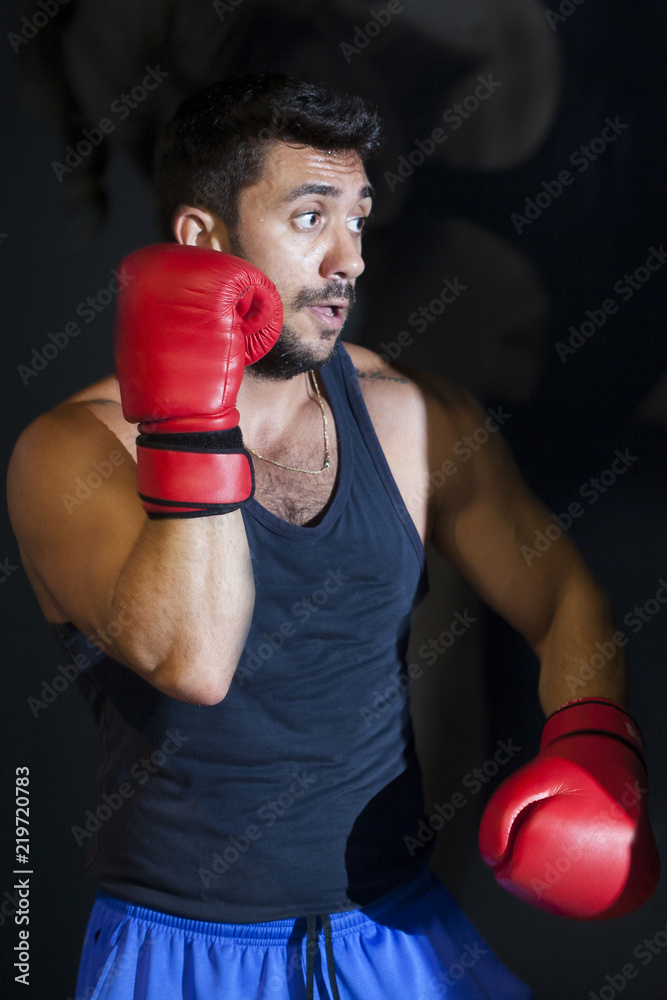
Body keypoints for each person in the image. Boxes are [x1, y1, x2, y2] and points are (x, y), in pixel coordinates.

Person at [7, 73, 658, 1000]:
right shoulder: (72, 453)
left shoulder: (412, 417)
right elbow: (193, 659)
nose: (349, 257)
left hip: (399, 932)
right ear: (202, 240)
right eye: (310, 217)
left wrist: (594, 742)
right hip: (184, 952)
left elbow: (563, 601)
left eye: (357, 217)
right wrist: (192, 417)